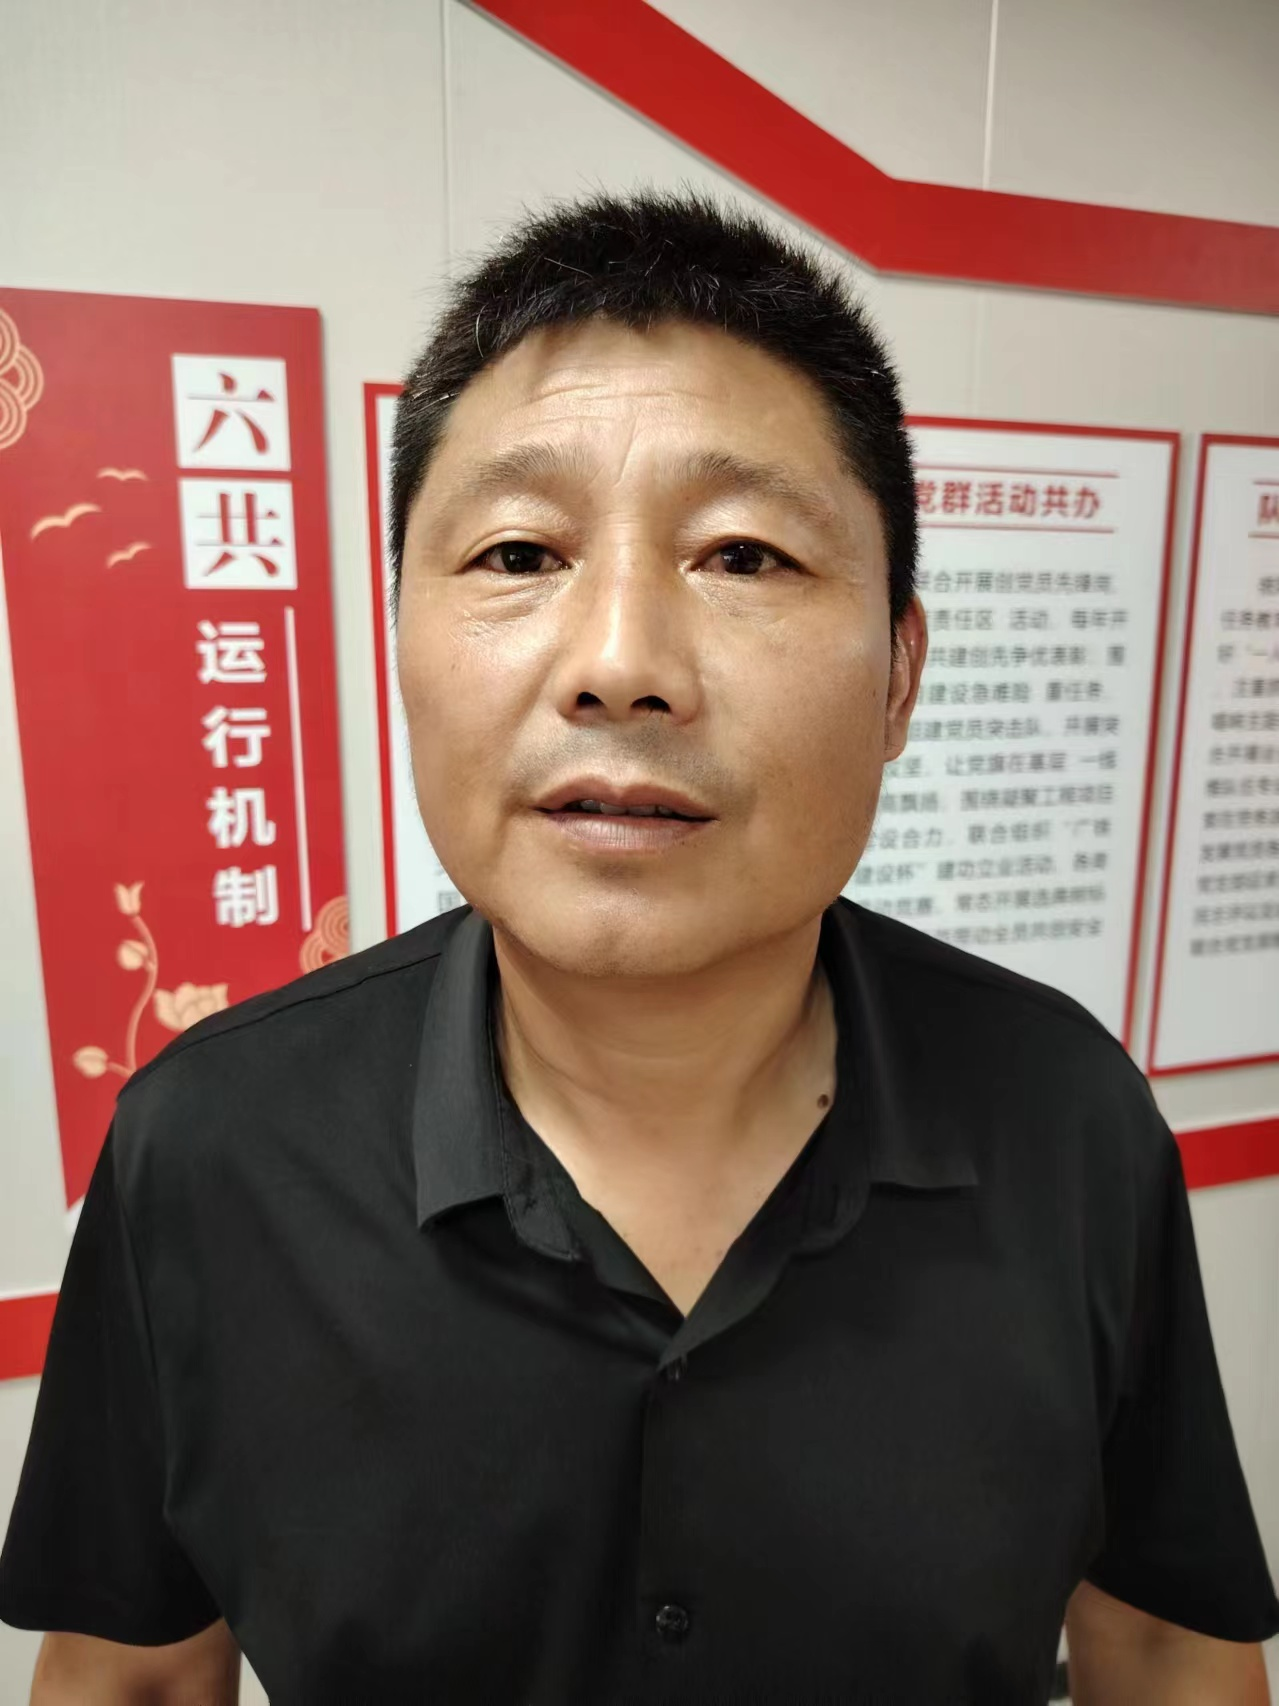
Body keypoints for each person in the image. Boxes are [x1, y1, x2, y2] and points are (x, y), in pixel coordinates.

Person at [2, 189, 1275, 1705]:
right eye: (518, 550)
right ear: (399, 637)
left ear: (898, 675)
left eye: (743, 556)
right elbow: (135, 1677)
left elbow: (1164, 1648)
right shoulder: (207, 1153)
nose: (620, 665)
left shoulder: (1070, 1123)